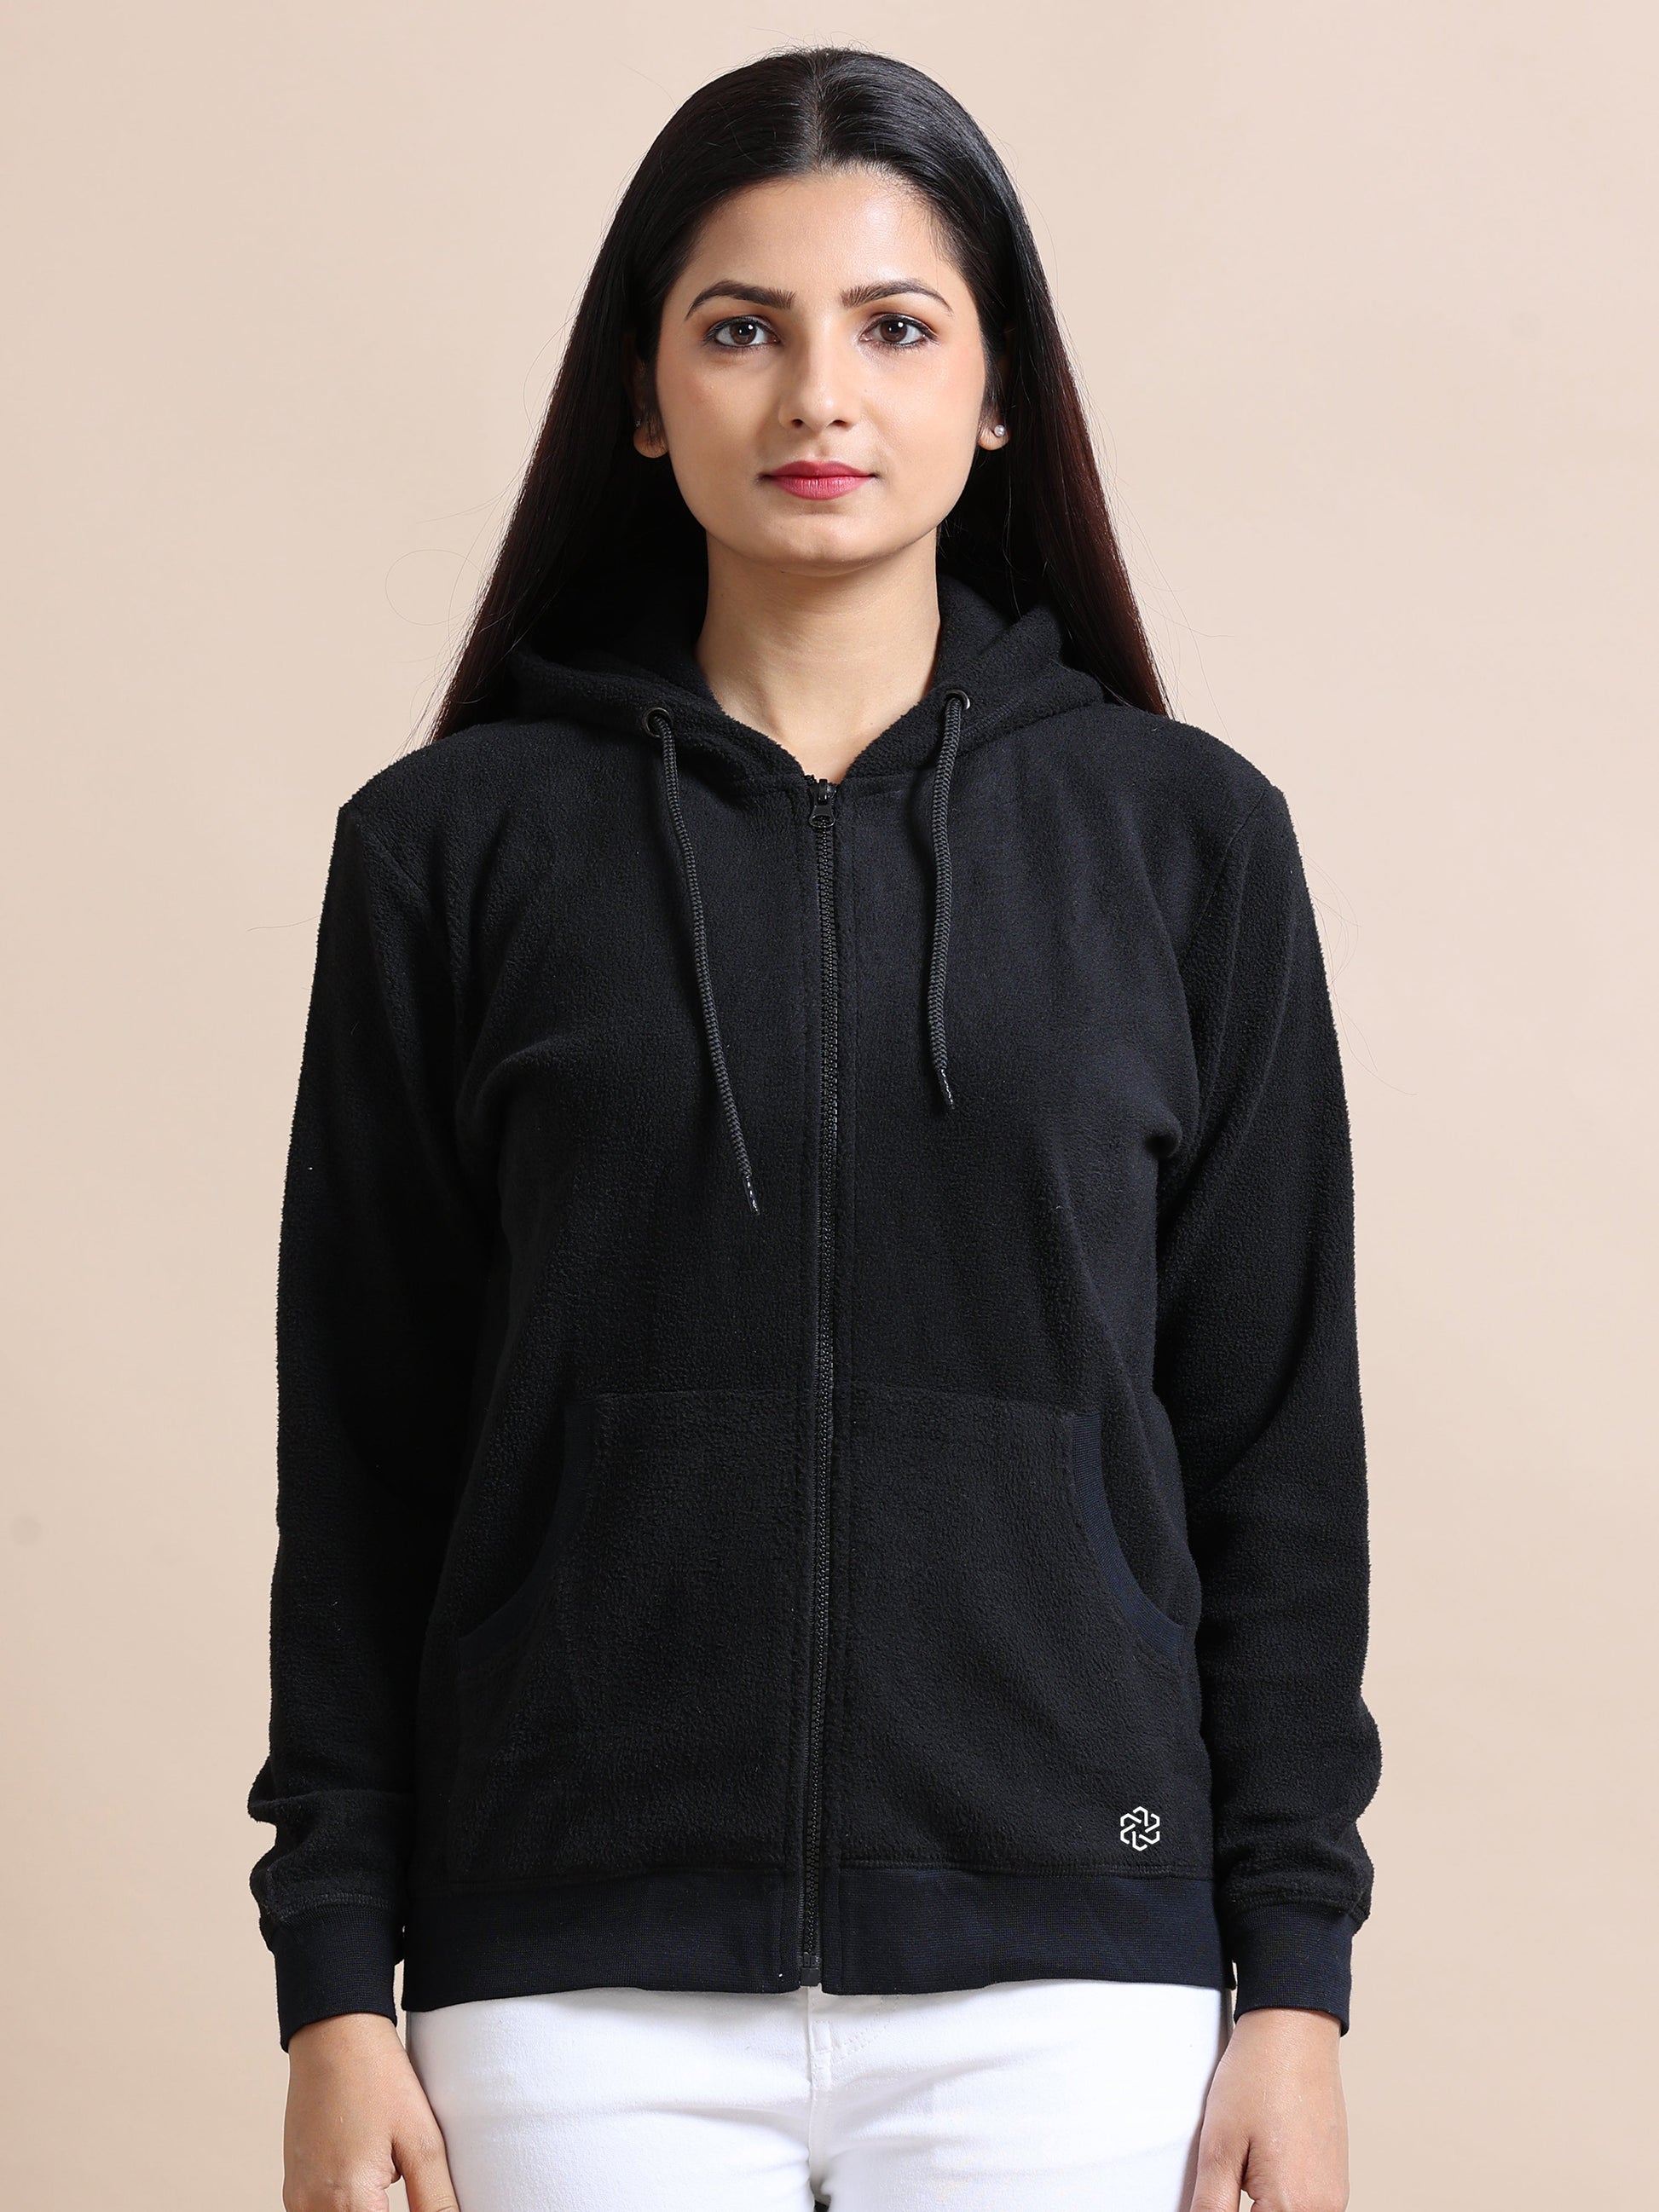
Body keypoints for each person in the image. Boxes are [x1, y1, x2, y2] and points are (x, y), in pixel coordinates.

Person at [250, 44, 1381, 2212]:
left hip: (1072, 1974)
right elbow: (366, 1450)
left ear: (999, 390)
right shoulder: (447, 851)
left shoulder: (1185, 842)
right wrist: (331, 1986)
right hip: (565, 1975)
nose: (818, 397)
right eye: (741, 328)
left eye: (895, 327)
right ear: (642, 393)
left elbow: (1271, 1450)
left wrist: (1295, 1987)